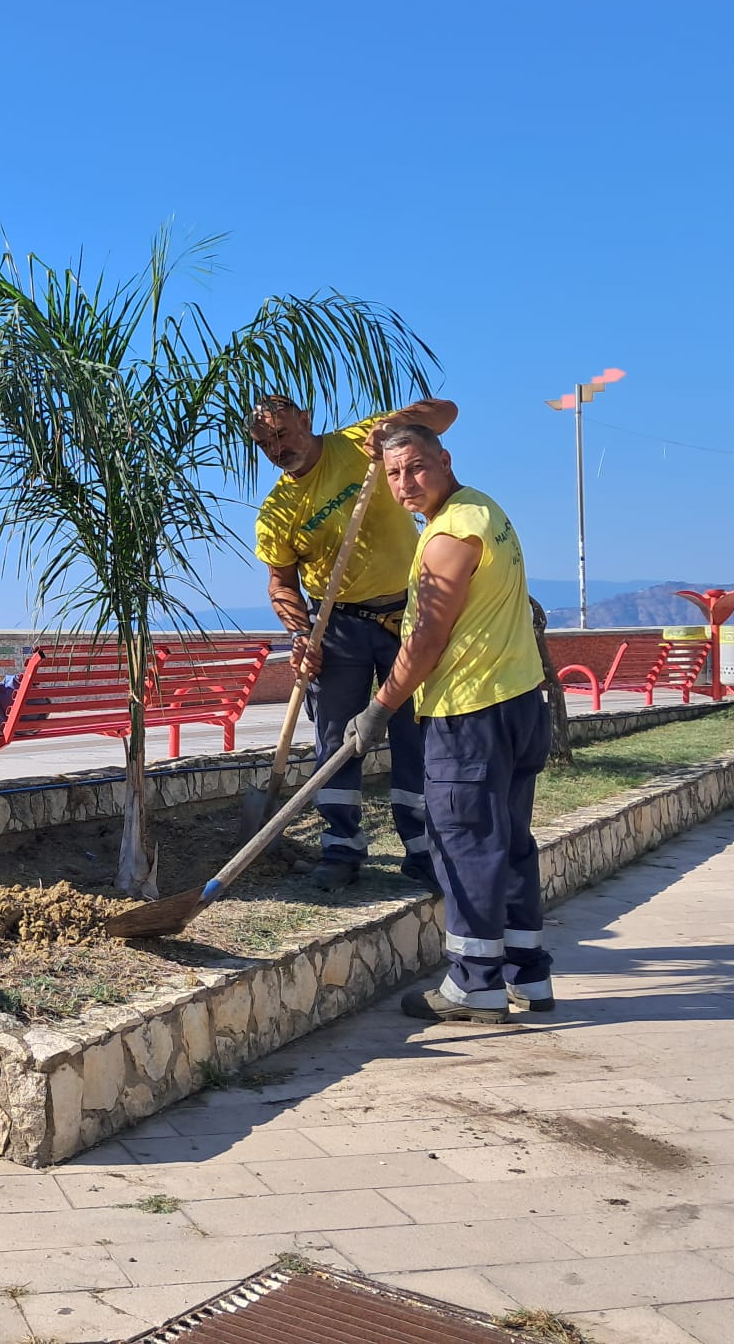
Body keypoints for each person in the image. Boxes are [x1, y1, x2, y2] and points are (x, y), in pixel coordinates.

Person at [343, 423, 553, 1025]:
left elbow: (429, 638)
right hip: (517, 702)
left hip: (470, 714)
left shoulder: (450, 535)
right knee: (509, 842)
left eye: (416, 468)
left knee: (463, 846)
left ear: (445, 459)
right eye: (393, 474)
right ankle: (527, 976)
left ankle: (474, 984)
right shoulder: (486, 511)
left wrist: (380, 706)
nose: (405, 483)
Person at [252, 392, 458, 892]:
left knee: (415, 733)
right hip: (336, 625)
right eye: (264, 443)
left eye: (283, 433)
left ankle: (422, 850)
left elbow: (445, 413)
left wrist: (392, 425)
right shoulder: (277, 510)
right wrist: (301, 634)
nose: (278, 448)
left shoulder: (360, 443)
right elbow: (282, 582)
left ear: (306, 420)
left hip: (405, 615)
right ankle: (341, 849)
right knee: (337, 740)